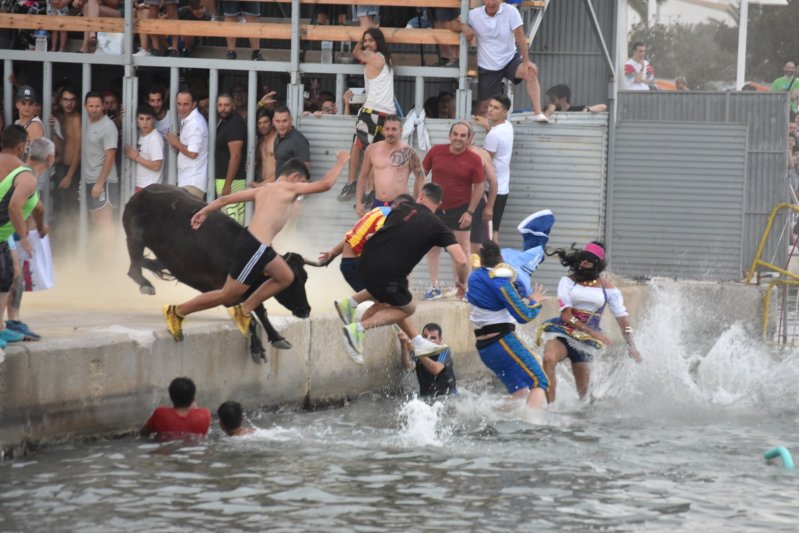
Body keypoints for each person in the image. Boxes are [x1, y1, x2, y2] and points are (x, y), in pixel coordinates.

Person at [163, 152, 350, 342]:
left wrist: (204, 211)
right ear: (294, 177)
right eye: (301, 182)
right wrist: (342, 162)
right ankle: (177, 311)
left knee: (285, 276)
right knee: (228, 294)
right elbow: (326, 184)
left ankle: (244, 310)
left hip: (258, 245)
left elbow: (224, 200)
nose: (300, 192)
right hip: (255, 247)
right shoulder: (288, 188)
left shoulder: (264, 189)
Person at [334, 183, 469, 365]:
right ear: (439, 204)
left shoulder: (403, 207)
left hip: (364, 262)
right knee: (408, 307)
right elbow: (461, 260)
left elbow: (374, 233)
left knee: (392, 290)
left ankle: (350, 303)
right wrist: (461, 282)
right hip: (385, 273)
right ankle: (358, 329)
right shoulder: (439, 227)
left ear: (420, 196)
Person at [538, 242, 641, 403]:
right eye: (581, 261)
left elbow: (623, 319)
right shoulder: (567, 281)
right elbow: (566, 315)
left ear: (596, 265)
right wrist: (593, 332)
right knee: (548, 359)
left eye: (588, 262)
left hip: (585, 344)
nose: (583, 265)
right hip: (563, 333)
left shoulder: (609, 289)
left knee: (585, 398)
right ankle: (550, 408)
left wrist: (632, 346)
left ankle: (589, 420)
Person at [466, 240, 548, 410]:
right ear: (501, 258)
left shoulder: (474, 277)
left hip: (485, 348)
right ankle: (533, 428)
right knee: (539, 380)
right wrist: (536, 302)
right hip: (501, 342)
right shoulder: (501, 283)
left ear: (481, 260)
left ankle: (490, 415)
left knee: (520, 393)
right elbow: (524, 315)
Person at [450, 0, 548, 121]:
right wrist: (463, 27)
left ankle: (538, 113)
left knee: (531, 72)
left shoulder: (511, 11)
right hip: (487, 66)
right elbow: (453, 24)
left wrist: (526, 62)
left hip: (510, 59)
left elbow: (520, 37)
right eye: (488, 0)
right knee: (482, 108)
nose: (491, 3)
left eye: (494, 0)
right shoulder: (474, 14)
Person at [421, 122, 484, 300]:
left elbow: (479, 187)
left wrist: (470, 212)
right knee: (433, 248)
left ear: (468, 138)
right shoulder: (435, 151)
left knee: (461, 250)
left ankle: (462, 289)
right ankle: (434, 287)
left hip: (460, 209)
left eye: (463, 135)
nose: (458, 138)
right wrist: (420, 202)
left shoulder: (474, 159)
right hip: (434, 208)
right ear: (450, 135)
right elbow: (421, 174)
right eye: (455, 134)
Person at [0, 128, 50, 343]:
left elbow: (36, 206)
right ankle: (11, 321)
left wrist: (39, 224)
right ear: (21, 147)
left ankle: (7, 324)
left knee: (9, 275)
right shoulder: (22, 170)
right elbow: (19, 205)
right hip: (6, 227)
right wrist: (26, 234)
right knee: (12, 275)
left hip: (5, 229)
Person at [338, 28, 396, 202]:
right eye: (366, 41)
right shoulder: (387, 59)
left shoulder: (372, 57)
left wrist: (359, 37)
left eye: (370, 40)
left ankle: (351, 183)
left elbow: (355, 52)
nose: (367, 44)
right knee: (375, 154)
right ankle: (372, 191)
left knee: (358, 146)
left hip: (372, 112)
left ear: (378, 41)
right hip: (387, 114)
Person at [319, 193, 414, 291]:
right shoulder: (387, 218)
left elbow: (352, 237)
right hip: (356, 265)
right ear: (401, 207)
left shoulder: (380, 210)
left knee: (382, 296)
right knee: (382, 298)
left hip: (351, 264)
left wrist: (333, 253)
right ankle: (347, 304)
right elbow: (376, 240)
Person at [354, 115, 425, 217]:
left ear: (401, 131)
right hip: (378, 205)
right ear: (383, 130)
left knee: (400, 233)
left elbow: (420, 176)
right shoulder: (372, 150)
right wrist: (358, 202)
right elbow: (363, 177)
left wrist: (417, 202)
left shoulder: (408, 152)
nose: (390, 133)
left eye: (394, 129)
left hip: (401, 205)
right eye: (387, 129)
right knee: (378, 233)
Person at [473, 94, 515, 244]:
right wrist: (488, 126)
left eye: (495, 108)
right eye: (490, 106)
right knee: (494, 231)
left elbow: (485, 160)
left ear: (505, 112)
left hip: (490, 190)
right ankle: (496, 262)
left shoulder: (494, 134)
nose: (490, 110)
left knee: (485, 234)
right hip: (503, 188)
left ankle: (492, 262)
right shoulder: (508, 126)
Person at [83, 91, 119, 232]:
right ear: (85, 106)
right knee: (95, 218)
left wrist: (100, 183)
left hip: (105, 181)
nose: (94, 109)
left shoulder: (108, 126)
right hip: (90, 179)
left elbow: (110, 156)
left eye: (97, 106)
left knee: (105, 220)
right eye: (91, 106)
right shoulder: (86, 123)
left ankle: (109, 252)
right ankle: (99, 251)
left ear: (103, 106)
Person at [165, 89, 208, 199]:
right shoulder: (189, 120)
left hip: (193, 182)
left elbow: (193, 153)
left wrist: (176, 142)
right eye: (179, 104)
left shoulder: (195, 123)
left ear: (194, 105)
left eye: (185, 104)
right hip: (188, 180)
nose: (181, 108)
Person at [398, 323, 457, 398]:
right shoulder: (419, 349)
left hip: (448, 398)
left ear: (440, 340)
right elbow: (408, 367)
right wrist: (403, 344)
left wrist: (417, 351)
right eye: (425, 337)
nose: (428, 341)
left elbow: (436, 369)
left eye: (433, 338)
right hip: (425, 398)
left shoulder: (444, 350)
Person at [140, 377, 211, 439]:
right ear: (193, 398)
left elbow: (144, 433)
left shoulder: (160, 414)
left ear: (171, 397)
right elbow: (196, 410)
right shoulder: (205, 414)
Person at [214, 93, 247, 224]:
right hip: (225, 180)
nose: (223, 108)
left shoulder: (234, 124)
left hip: (234, 181)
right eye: (220, 105)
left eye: (226, 105)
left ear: (233, 106)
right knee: (226, 221)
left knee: (233, 223)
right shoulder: (224, 122)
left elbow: (236, 155)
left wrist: (228, 184)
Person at [54, 86, 81, 218]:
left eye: (72, 100)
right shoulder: (59, 117)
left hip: (73, 170)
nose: (69, 103)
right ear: (60, 101)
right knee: (62, 208)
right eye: (65, 100)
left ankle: (75, 237)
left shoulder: (76, 119)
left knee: (72, 209)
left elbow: (79, 149)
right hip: (61, 168)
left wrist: (70, 175)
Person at [124, 105, 164, 192]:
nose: (144, 123)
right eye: (141, 119)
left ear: (153, 119)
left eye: (148, 119)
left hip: (149, 188)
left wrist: (136, 158)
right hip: (142, 186)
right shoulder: (140, 135)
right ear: (136, 120)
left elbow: (156, 166)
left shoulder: (154, 138)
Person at [272, 106, 310, 177]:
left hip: (291, 187)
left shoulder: (299, 140)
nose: (281, 125)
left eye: (284, 121)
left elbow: (305, 171)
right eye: (278, 121)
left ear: (291, 120)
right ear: (273, 121)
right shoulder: (277, 138)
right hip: (280, 186)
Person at [543, 84, 608, 118]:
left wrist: (588, 109)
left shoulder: (577, 109)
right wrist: (548, 112)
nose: (550, 102)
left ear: (563, 99)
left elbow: (603, 106)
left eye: (553, 99)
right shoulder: (549, 109)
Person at [255, 108, 276, 184]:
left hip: (275, 185)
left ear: (272, 122)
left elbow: (283, 168)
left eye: (265, 122)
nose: (262, 126)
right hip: (262, 183)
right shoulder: (260, 141)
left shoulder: (278, 139)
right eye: (259, 123)